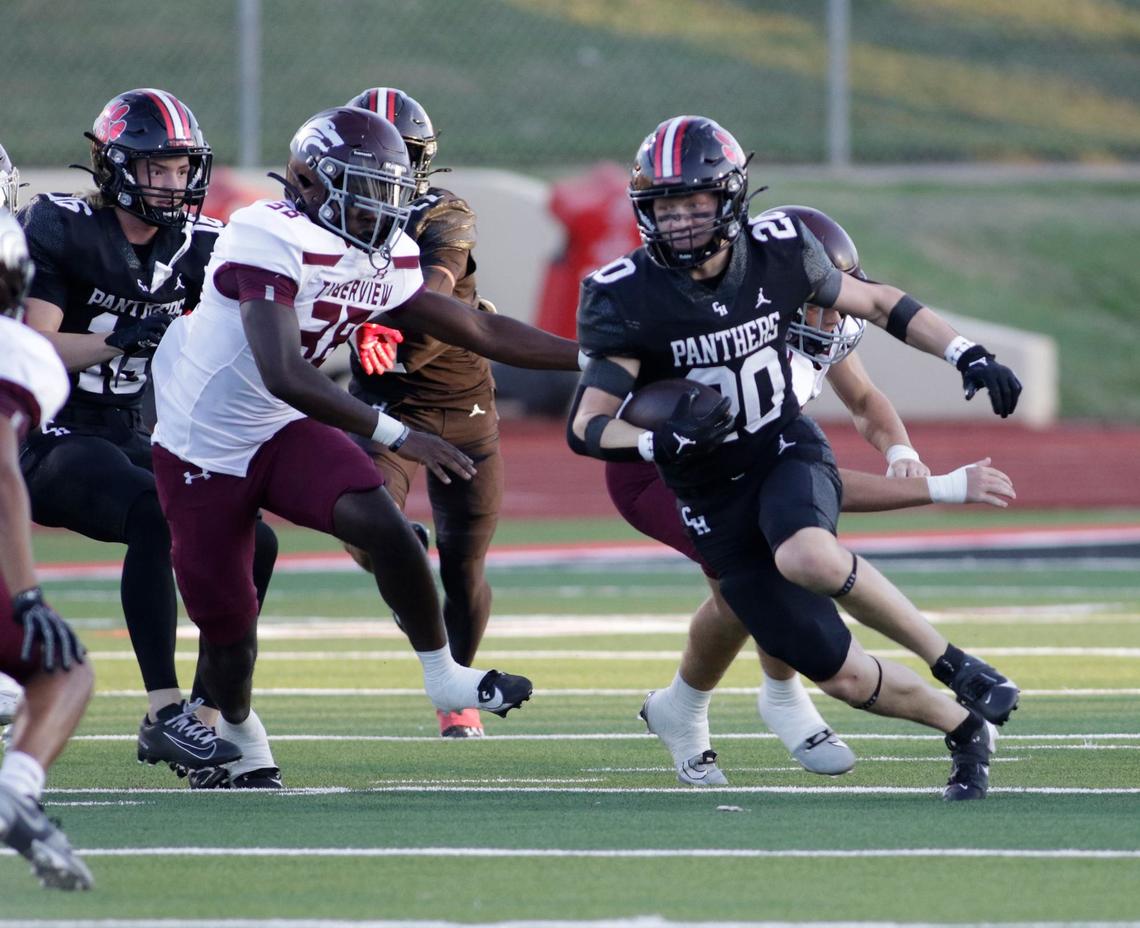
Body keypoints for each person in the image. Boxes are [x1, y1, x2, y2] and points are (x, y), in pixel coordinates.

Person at [569, 115, 1024, 801]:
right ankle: (961, 727)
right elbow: (587, 425)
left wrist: (967, 351)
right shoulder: (624, 293)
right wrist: (658, 440)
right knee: (839, 675)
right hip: (702, 491)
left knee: (807, 555)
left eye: (696, 203)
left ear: (729, 201)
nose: (684, 221)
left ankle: (955, 662)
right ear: (646, 211)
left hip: (780, 447)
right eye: (668, 206)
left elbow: (876, 302)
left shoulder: (783, 255)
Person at [149, 106, 579, 788]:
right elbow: (283, 370)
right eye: (363, 186)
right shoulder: (264, 233)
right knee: (229, 627)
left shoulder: (382, 252)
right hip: (203, 447)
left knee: (383, 524)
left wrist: (600, 358)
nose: (380, 206)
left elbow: (479, 331)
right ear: (309, 182)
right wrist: (400, 435)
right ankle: (237, 729)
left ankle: (444, 680)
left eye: (387, 189)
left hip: (280, 428)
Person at [15, 90, 279, 780]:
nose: (171, 183)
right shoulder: (61, 226)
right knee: (156, 519)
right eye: (155, 168)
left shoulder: (203, 245)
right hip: (49, 434)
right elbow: (32, 345)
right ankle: (164, 714)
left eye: (179, 168)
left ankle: (205, 716)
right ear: (114, 165)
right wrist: (120, 340)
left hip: (131, 432)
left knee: (253, 537)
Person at [340, 87, 503, 739]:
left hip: (461, 408)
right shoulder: (325, 216)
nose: (383, 169)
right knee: (367, 524)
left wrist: (391, 330)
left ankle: (457, 685)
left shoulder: (442, 212)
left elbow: (436, 289)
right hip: (383, 408)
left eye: (397, 156)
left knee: (463, 571)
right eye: (366, 155)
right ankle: (397, 559)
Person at [0, 207, 94, 890]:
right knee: (64, 668)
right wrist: (28, 592)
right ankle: (16, 790)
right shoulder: (22, 353)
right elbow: (2, 468)